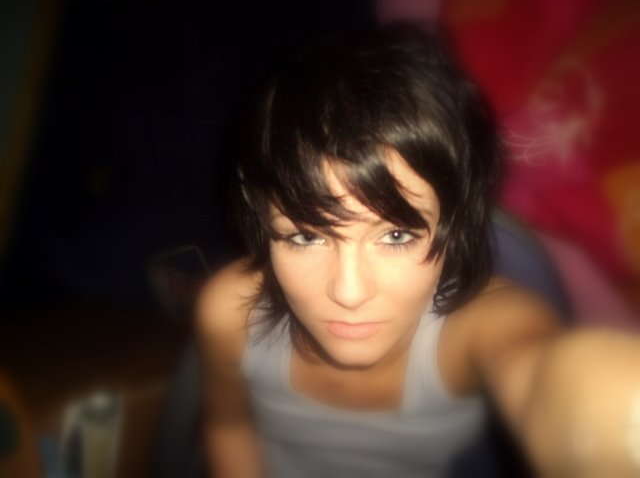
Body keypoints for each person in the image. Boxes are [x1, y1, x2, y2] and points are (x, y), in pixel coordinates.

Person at [196, 24, 640, 477]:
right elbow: (229, 424)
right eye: (306, 237)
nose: (349, 293)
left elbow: (547, 379)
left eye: (395, 236)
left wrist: (608, 418)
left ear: (452, 227)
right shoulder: (231, 313)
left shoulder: (474, 329)